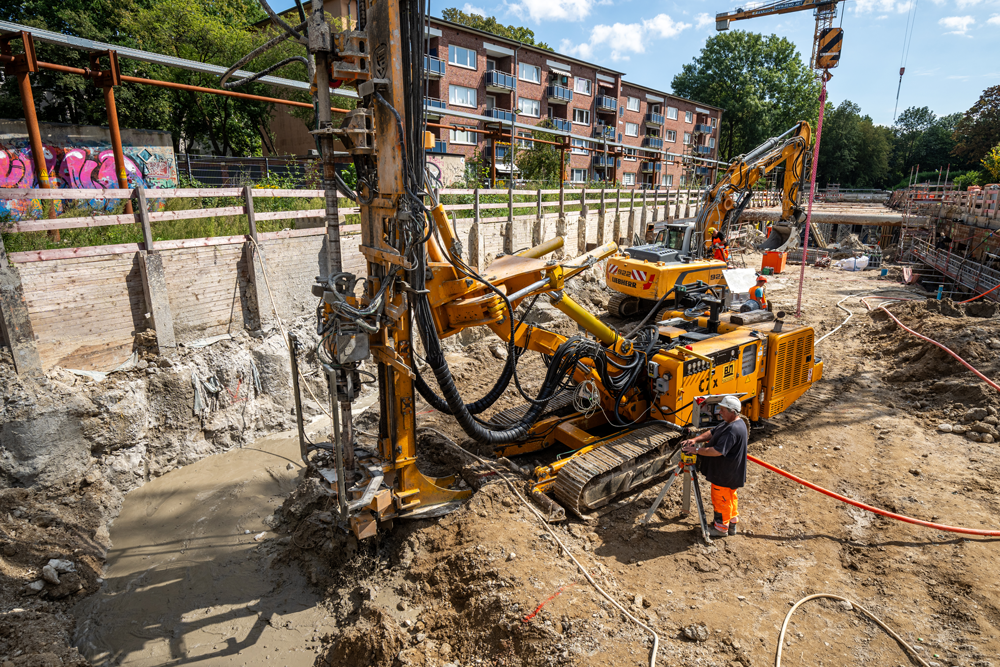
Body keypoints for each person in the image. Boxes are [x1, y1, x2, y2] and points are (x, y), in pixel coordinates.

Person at [680, 395, 748, 537]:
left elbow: (717, 451)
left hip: (724, 474)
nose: (719, 412)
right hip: (732, 473)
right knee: (730, 497)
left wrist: (696, 450)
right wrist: (695, 440)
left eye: (723, 410)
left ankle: (721, 528)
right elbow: (712, 432)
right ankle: (732, 523)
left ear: (732, 411)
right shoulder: (732, 423)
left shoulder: (732, 430)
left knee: (721, 500)